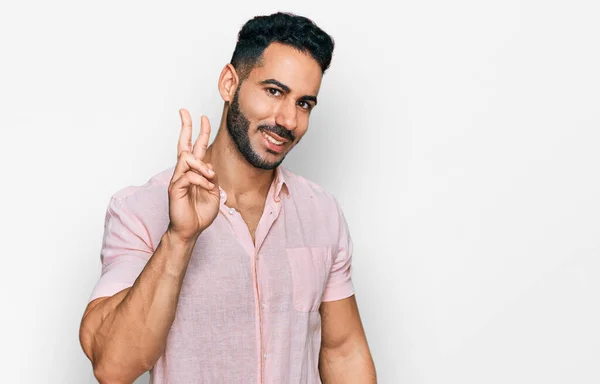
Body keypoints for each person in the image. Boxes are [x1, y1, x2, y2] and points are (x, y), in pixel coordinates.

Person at [79, 12, 376, 384]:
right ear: (229, 83)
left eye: (304, 104)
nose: (287, 119)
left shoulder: (322, 212)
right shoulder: (139, 209)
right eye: (274, 91)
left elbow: (343, 351)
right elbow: (112, 366)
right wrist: (179, 238)